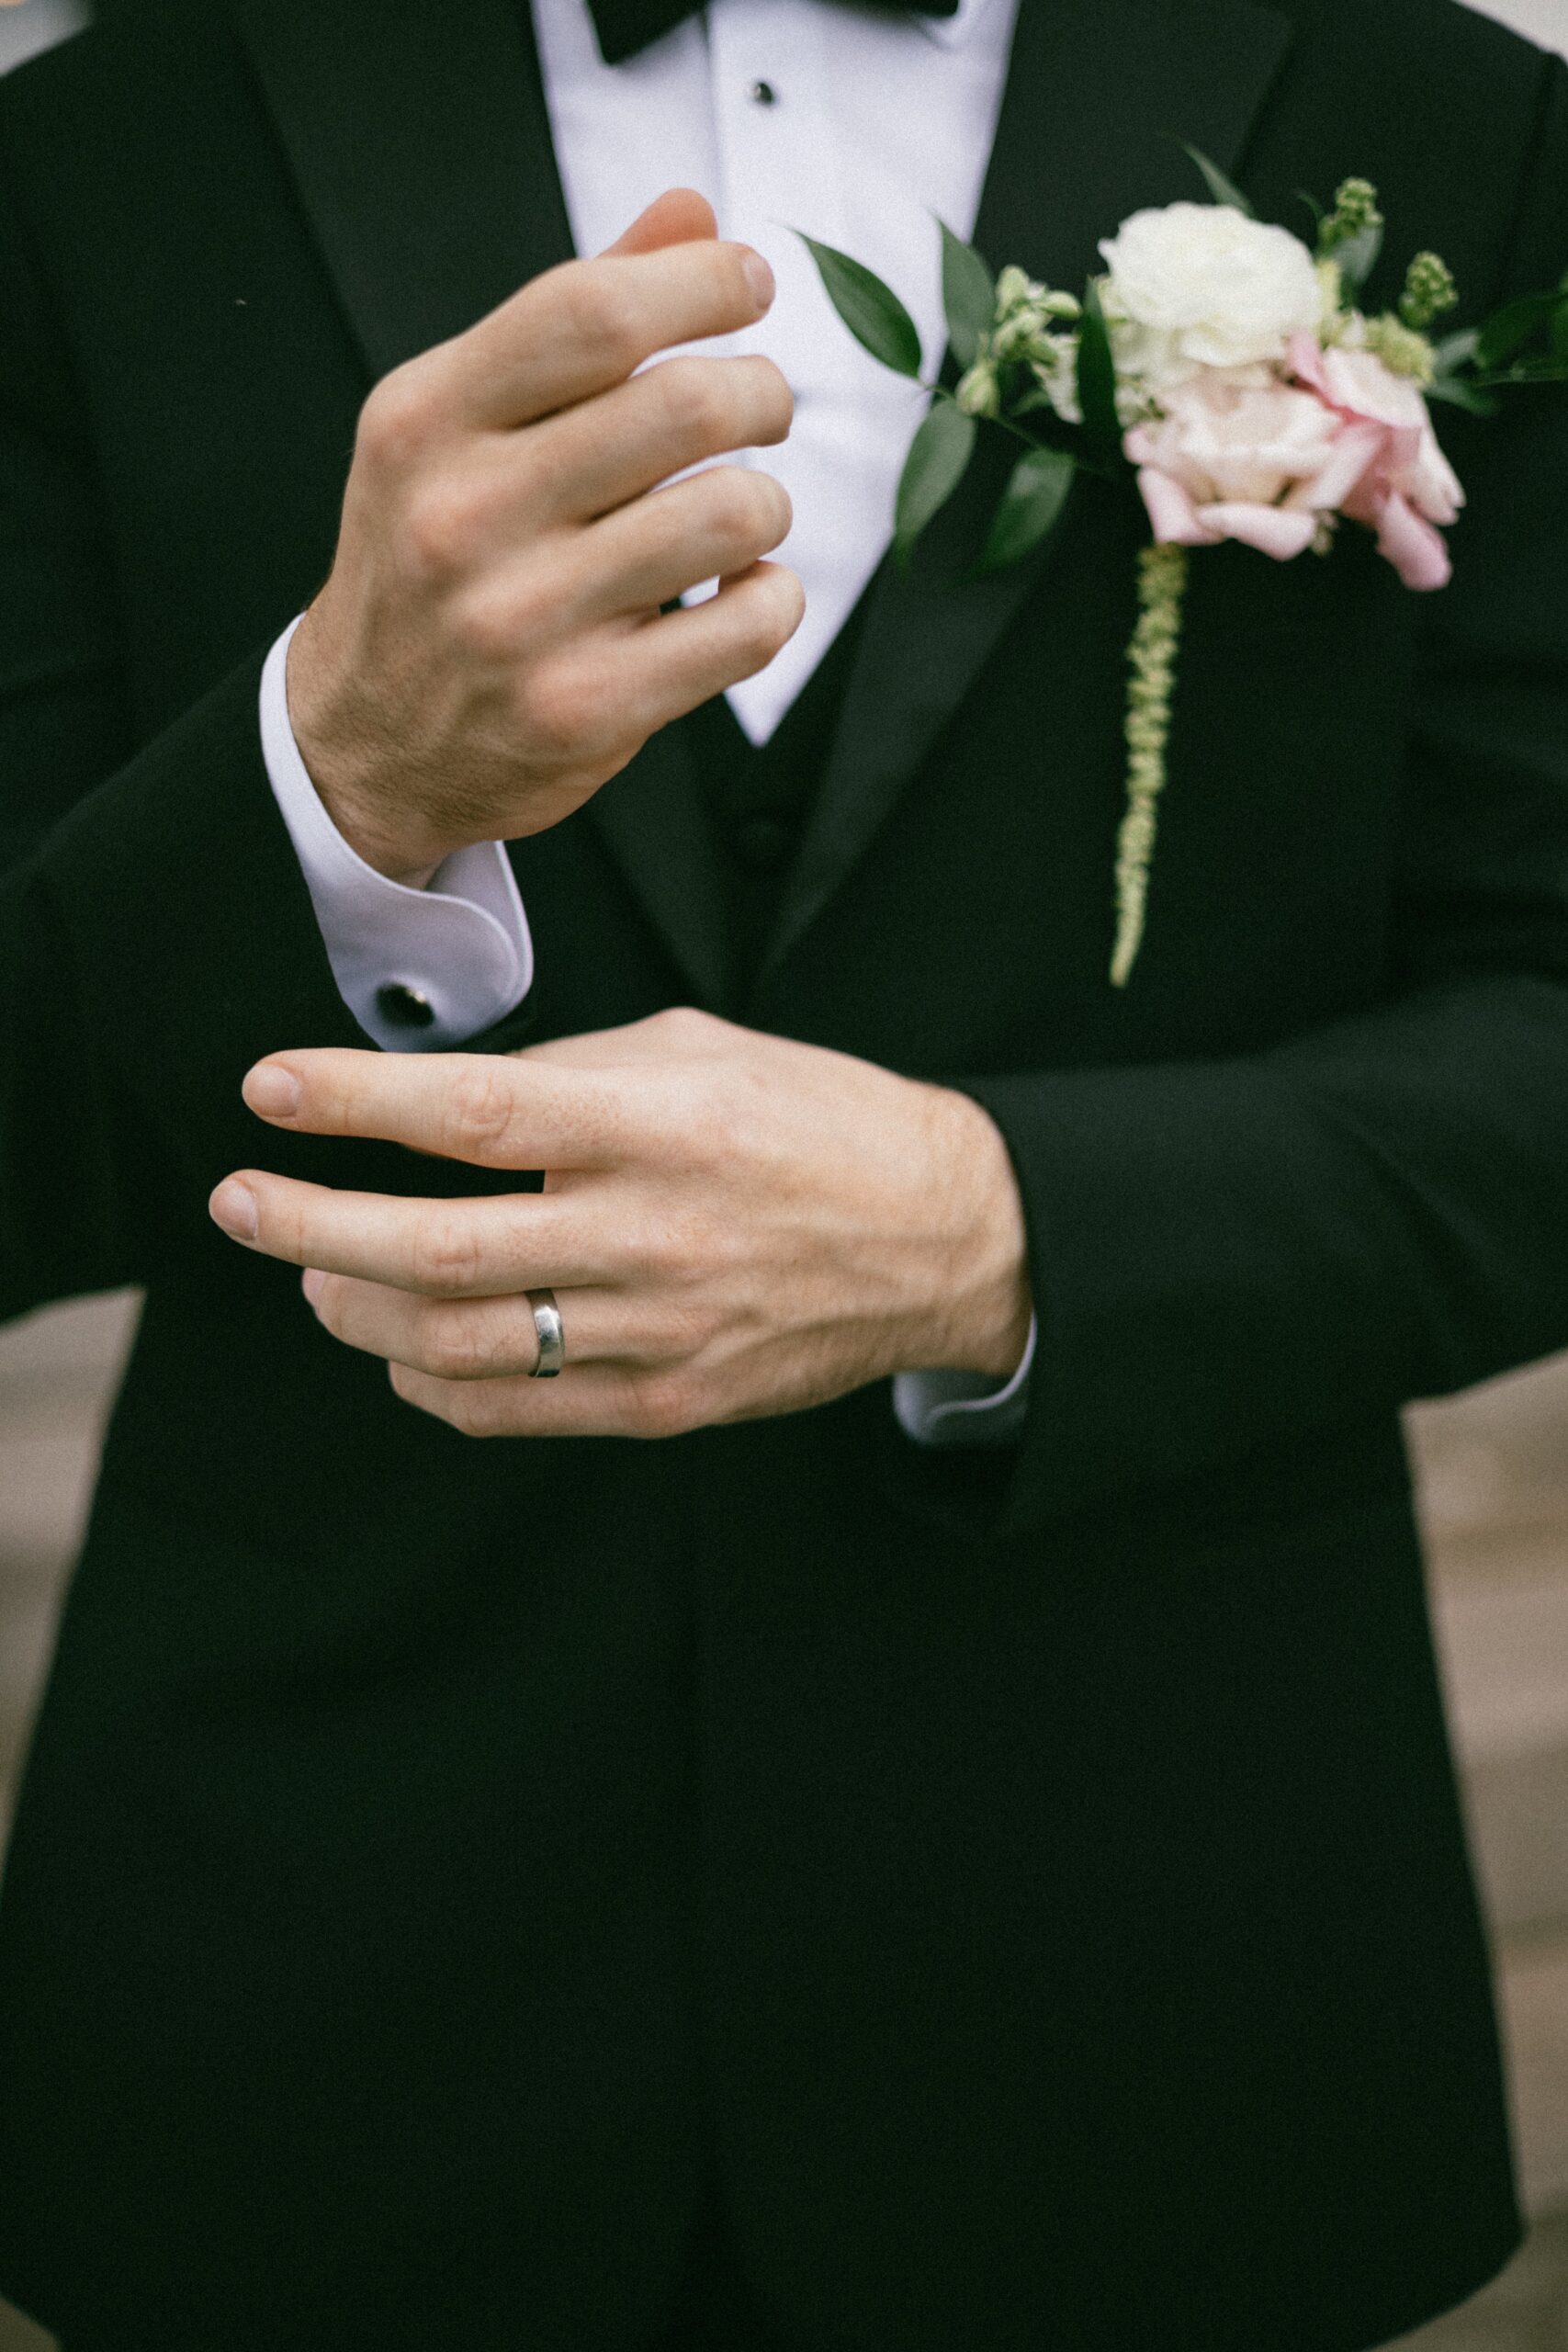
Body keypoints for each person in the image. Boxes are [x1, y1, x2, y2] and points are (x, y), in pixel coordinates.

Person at [1, 0, 1565, 2343]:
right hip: (323, 1990)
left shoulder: (1443, 112)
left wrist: (1000, 1225)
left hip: (1155, 1959)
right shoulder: (107, 139)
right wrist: (329, 787)